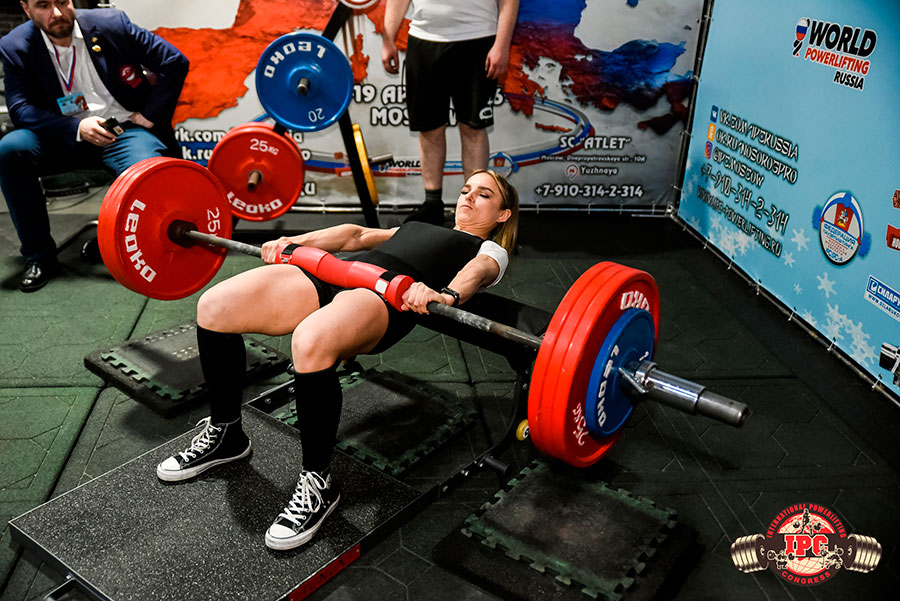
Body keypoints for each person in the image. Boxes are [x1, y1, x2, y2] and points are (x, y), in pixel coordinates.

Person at [156, 169, 519, 551]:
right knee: (215, 306)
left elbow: (478, 272)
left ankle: (319, 483)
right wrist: (293, 241)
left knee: (309, 340)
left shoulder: (489, 249)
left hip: (384, 297)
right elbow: (355, 236)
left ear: (502, 214)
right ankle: (226, 433)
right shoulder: (419, 227)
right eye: (465, 190)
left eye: (483, 195)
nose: (468, 197)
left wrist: (447, 295)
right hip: (337, 274)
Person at [0, 0, 188, 292]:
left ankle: (117, 244)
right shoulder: (15, 46)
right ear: (26, 9)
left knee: (145, 172)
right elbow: (20, 109)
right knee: (10, 149)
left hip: (122, 130)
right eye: (43, 5)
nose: (57, 13)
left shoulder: (112, 25)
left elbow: (175, 61)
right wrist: (76, 127)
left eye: (62, 2)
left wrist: (150, 115)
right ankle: (39, 256)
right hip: (62, 133)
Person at [382, 0, 518, 225]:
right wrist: (388, 39)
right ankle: (432, 204)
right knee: (429, 128)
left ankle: (476, 206)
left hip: (477, 39)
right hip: (424, 39)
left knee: (473, 128)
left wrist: (502, 45)